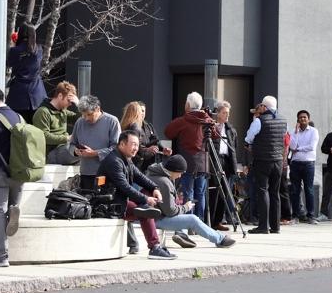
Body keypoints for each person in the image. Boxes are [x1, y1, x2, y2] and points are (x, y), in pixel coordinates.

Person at [0, 87, 45, 267]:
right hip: (19, 173)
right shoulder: (19, 117)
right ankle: (14, 210)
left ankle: (1, 256)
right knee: (9, 208)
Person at [99, 131, 175, 260]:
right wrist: (146, 199)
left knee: (146, 201)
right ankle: (155, 247)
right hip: (110, 204)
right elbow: (125, 187)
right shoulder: (114, 161)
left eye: (137, 145)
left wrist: (155, 188)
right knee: (145, 211)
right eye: (133, 144)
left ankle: (155, 246)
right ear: (122, 144)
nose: (136, 148)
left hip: (121, 201)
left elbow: (140, 177)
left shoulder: (126, 159)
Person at [147, 155, 238, 249]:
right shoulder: (164, 182)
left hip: (152, 216)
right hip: (156, 219)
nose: (180, 176)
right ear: (174, 170)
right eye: (180, 172)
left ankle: (182, 234)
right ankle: (220, 239)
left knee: (182, 212)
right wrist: (186, 207)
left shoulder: (154, 175)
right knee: (192, 219)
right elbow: (170, 211)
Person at [164, 92, 220, 224]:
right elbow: (216, 135)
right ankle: (199, 223)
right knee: (200, 194)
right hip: (203, 164)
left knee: (188, 193)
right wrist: (207, 116)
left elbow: (168, 132)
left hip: (187, 163)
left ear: (188, 105)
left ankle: (189, 223)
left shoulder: (183, 120)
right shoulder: (207, 121)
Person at [244, 95, 287, 234]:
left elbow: (248, 138)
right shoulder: (283, 120)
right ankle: (275, 226)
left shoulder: (259, 120)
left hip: (263, 160)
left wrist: (250, 144)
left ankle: (263, 226)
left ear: (264, 107)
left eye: (262, 105)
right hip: (278, 160)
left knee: (262, 191)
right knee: (275, 193)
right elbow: (283, 138)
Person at [70, 95, 120, 190]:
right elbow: (71, 144)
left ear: (98, 109)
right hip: (85, 173)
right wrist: (75, 151)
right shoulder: (79, 122)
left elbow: (116, 148)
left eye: (89, 114)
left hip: (106, 173)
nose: (86, 118)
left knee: (103, 198)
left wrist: (95, 153)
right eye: (83, 115)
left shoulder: (112, 121)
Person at [5, 25, 47, 124]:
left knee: (19, 126)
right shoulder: (39, 49)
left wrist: (14, 45)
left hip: (19, 94)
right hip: (37, 93)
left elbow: (9, 63)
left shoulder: (15, 51)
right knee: (37, 127)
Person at [208, 102, 240, 231]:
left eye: (228, 113)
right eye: (224, 112)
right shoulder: (211, 127)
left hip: (226, 161)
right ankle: (210, 221)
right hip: (215, 161)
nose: (227, 115)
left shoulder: (230, 129)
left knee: (225, 193)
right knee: (215, 192)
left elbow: (234, 147)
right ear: (217, 113)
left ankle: (218, 221)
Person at [33, 81, 80, 165]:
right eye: (69, 100)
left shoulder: (63, 111)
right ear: (60, 96)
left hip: (65, 147)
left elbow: (81, 120)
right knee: (77, 152)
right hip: (50, 152)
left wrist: (79, 105)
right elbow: (44, 136)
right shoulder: (43, 112)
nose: (70, 104)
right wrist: (67, 138)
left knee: (88, 148)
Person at [286, 110, 319, 224]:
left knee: (309, 189)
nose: (302, 119)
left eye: (304, 117)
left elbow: (311, 147)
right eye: (300, 117)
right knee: (295, 190)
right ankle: (295, 216)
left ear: (308, 119)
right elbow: (292, 146)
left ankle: (311, 216)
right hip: (295, 163)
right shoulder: (293, 131)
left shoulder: (314, 131)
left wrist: (299, 149)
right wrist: (295, 132)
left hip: (308, 164)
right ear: (298, 120)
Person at [121, 101, 169, 172]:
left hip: (147, 165)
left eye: (143, 111)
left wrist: (163, 149)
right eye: (140, 111)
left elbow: (155, 141)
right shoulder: (134, 127)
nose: (142, 113)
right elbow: (135, 147)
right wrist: (147, 150)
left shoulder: (149, 126)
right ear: (136, 112)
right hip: (136, 165)